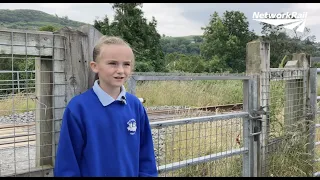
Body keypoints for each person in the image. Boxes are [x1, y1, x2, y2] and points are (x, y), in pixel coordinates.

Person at [54, 36, 158, 177]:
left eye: (126, 64)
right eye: (113, 63)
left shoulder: (135, 106)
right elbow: (67, 163)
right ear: (95, 66)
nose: (121, 70)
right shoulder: (78, 108)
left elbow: (146, 157)